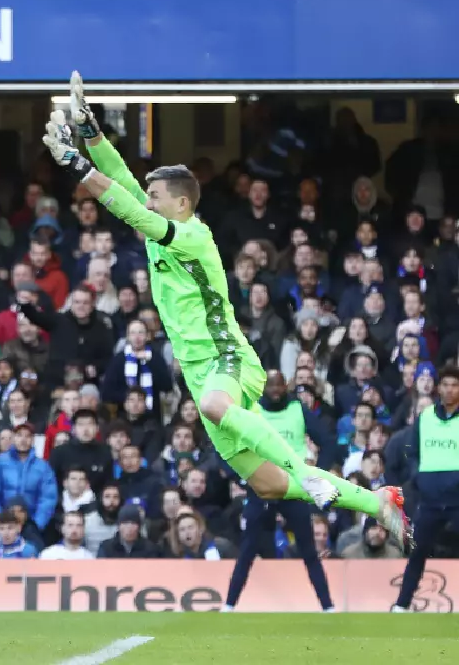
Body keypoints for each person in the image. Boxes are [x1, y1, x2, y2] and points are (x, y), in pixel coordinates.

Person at [41, 72, 411, 551]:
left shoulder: (193, 234)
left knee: (224, 412)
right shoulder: (162, 223)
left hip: (226, 356)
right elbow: (123, 183)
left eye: (155, 197)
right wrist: (91, 133)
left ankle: (308, 473)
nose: (146, 200)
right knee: (267, 485)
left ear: (179, 203)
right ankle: (376, 500)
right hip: (197, 372)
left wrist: (73, 163)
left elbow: (127, 207)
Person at [223, 370, 335, 611]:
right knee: (248, 549)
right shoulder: (252, 410)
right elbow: (226, 445)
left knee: (308, 550)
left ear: (286, 386)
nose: (274, 390)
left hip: (293, 487)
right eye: (270, 386)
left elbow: (327, 442)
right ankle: (229, 605)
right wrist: (241, 477)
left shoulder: (298, 409)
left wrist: (317, 475)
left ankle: (328, 607)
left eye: (279, 385)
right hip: (261, 488)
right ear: (263, 387)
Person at [393, 366, 459, 611]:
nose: (450, 389)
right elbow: (412, 451)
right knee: (417, 553)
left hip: (457, 499)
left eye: (455, 385)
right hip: (430, 500)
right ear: (438, 388)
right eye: (446, 385)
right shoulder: (426, 417)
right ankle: (401, 605)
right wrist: (417, 475)